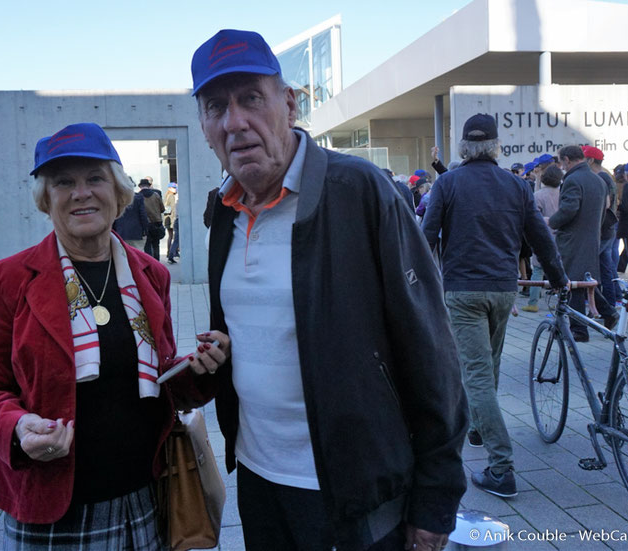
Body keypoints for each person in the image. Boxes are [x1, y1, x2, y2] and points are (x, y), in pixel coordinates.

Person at [192, 29, 467, 551]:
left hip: (353, 494)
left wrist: (436, 500)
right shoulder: (222, 213)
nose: (235, 122)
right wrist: (223, 351)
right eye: (215, 107)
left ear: (289, 104)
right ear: (204, 126)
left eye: (251, 98)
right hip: (258, 478)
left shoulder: (361, 191)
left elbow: (432, 351)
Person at [0, 122, 220, 549]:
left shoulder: (151, 275)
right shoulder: (7, 280)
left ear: (118, 193)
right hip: (53, 509)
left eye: (95, 178)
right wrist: (19, 426)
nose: (81, 193)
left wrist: (203, 369)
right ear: (47, 200)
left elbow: (161, 378)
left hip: (147, 500)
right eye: (64, 182)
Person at [421, 114, 567, 499]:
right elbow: (540, 239)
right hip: (503, 289)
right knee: (490, 364)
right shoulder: (516, 185)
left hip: (463, 290)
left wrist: (416, 287)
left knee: (477, 373)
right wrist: (557, 278)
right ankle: (476, 426)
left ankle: (501, 467)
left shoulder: (448, 183)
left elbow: (426, 238)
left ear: (465, 147)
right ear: (496, 146)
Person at [550, 145, 619, 342]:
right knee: (583, 280)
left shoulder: (573, 179)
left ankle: (579, 330)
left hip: (573, 238)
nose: (562, 167)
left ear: (567, 160)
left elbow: (569, 209)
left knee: (573, 283)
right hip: (591, 236)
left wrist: (551, 221)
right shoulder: (598, 180)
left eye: (562, 162)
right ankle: (608, 312)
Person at [523, 164, 563, 312]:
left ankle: (533, 302)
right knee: (559, 268)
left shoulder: (538, 195)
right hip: (560, 235)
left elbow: (534, 217)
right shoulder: (562, 194)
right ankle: (560, 301)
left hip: (543, 235)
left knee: (537, 270)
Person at [582, 145, 619, 306]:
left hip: (602, 229)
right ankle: (610, 301)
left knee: (592, 268)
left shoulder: (601, 178)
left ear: (590, 160)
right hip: (607, 229)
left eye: (582, 159)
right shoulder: (605, 177)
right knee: (606, 268)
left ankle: (599, 304)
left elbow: (605, 204)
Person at [112, 179, 149, 249]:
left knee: (122, 255)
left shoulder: (116, 198)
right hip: (136, 231)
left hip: (120, 232)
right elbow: (143, 215)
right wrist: (145, 229)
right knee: (138, 253)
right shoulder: (139, 198)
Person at [139, 178, 165, 260]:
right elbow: (162, 209)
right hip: (156, 223)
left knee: (147, 245)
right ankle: (157, 263)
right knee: (156, 244)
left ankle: (150, 264)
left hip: (145, 224)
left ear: (140, 186)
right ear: (149, 186)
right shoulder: (156, 195)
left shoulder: (138, 196)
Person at [164, 182, 177, 257]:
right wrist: (174, 219)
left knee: (170, 236)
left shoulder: (167, 195)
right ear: (169, 188)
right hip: (171, 218)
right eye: (173, 188)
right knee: (173, 236)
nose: (175, 189)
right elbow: (173, 208)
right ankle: (171, 252)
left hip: (167, 218)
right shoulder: (171, 196)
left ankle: (169, 252)